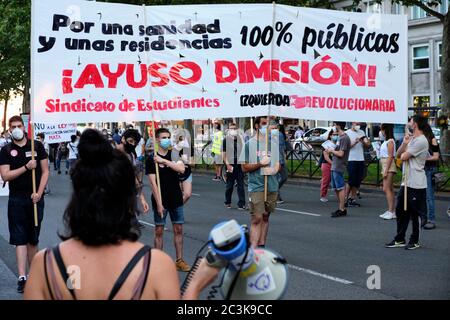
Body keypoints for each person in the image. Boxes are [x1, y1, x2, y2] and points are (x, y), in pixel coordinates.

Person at [24, 129, 218, 300]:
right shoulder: (156, 265)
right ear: (128, 199)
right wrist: (194, 286)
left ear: (77, 197)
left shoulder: (46, 264)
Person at [0, 115, 49, 293]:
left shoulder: (37, 146)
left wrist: (40, 192)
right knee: (19, 238)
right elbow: (5, 175)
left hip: (35, 199)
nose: (16, 129)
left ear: (25, 127)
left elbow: (45, 172)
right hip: (16, 199)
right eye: (13, 127)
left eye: (19, 125)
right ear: (10, 129)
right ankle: (22, 277)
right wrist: (26, 167)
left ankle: (34, 276)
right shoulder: (6, 150)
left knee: (32, 239)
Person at [146, 128, 190, 272]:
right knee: (159, 230)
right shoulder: (151, 159)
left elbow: (181, 169)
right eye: (164, 137)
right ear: (157, 139)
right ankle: (157, 261)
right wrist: (159, 204)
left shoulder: (175, 154)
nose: (167, 139)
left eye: (168, 137)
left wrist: (164, 160)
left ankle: (179, 260)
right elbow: (153, 184)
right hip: (160, 200)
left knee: (178, 228)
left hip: (176, 198)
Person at [385, 116, 429, 250]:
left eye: (410, 122)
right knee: (401, 210)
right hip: (406, 181)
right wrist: (404, 143)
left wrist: (406, 149)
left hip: (416, 182)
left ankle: (415, 240)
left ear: (414, 124)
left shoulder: (421, 140)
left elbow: (404, 157)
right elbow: (398, 155)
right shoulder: (412, 140)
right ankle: (400, 238)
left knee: (414, 213)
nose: (408, 124)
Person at [242, 117, 280, 248]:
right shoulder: (249, 145)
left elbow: (278, 165)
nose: (267, 127)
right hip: (256, 186)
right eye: (264, 124)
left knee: (265, 217)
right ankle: (252, 249)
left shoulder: (272, 145)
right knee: (257, 218)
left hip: (271, 185)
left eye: (268, 124)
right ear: (257, 126)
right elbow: (244, 167)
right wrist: (259, 164)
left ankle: (262, 246)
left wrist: (273, 169)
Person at [116, 129, 149, 221]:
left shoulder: (131, 155)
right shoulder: (111, 153)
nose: (133, 144)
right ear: (123, 139)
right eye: (130, 141)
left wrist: (142, 198)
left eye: (135, 143)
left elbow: (135, 178)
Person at [325, 122, 351, 218]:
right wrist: (330, 150)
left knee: (340, 187)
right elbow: (337, 151)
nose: (334, 127)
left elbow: (341, 154)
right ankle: (341, 207)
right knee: (336, 188)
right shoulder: (340, 137)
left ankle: (342, 209)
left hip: (339, 165)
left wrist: (332, 151)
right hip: (335, 165)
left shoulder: (344, 138)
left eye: (334, 124)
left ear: (339, 125)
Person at [345, 122, 370, 207]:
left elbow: (368, 145)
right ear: (352, 123)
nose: (358, 125)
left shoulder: (362, 132)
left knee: (357, 180)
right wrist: (355, 142)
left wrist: (362, 141)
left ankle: (352, 198)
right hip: (351, 159)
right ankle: (345, 198)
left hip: (360, 158)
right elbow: (346, 146)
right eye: (356, 123)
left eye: (359, 123)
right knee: (351, 179)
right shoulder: (347, 133)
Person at [222, 122, 246, 210]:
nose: (233, 130)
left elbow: (243, 150)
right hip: (230, 164)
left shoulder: (240, 139)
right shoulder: (226, 140)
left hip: (239, 165)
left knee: (240, 185)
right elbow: (223, 155)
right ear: (228, 130)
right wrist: (227, 164)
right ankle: (227, 201)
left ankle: (241, 203)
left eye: (235, 128)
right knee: (230, 185)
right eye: (231, 128)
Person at [422, 124, 440, 230]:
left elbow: (436, 157)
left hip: (430, 169)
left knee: (429, 196)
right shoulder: (422, 140)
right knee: (423, 195)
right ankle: (424, 217)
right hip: (424, 169)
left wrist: (424, 159)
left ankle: (431, 219)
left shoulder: (432, 139)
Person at [378, 124, 397, 220]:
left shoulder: (390, 141)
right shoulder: (386, 141)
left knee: (386, 188)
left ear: (385, 130)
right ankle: (392, 210)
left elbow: (390, 156)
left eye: (382, 129)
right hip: (385, 164)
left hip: (388, 166)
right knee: (389, 188)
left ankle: (391, 211)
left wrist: (386, 170)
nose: (381, 131)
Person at [173, 133, 193, 204]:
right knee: (177, 195)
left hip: (187, 173)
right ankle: (177, 209)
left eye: (184, 139)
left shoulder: (189, 149)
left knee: (187, 194)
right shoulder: (173, 149)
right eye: (181, 139)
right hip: (175, 173)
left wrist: (186, 160)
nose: (183, 141)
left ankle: (177, 206)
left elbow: (192, 163)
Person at [319, 131, 336, 202]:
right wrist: (333, 164)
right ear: (330, 135)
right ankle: (323, 195)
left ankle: (340, 195)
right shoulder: (326, 144)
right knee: (326, 180)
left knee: (336, 180)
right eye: (334, 134)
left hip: (335, 164)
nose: (336, 136)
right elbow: (326, 157)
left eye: (337, 134)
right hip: (327, 164)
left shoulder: (338, 144)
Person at [275, 122, 288, 204]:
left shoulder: (280, 134)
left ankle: (274, 192)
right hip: (273, 160)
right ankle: (276, 196)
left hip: (281, 159)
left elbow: (283, 147)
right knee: (275, 179)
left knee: (284, 177)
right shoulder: (266, 135)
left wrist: (284, 157)